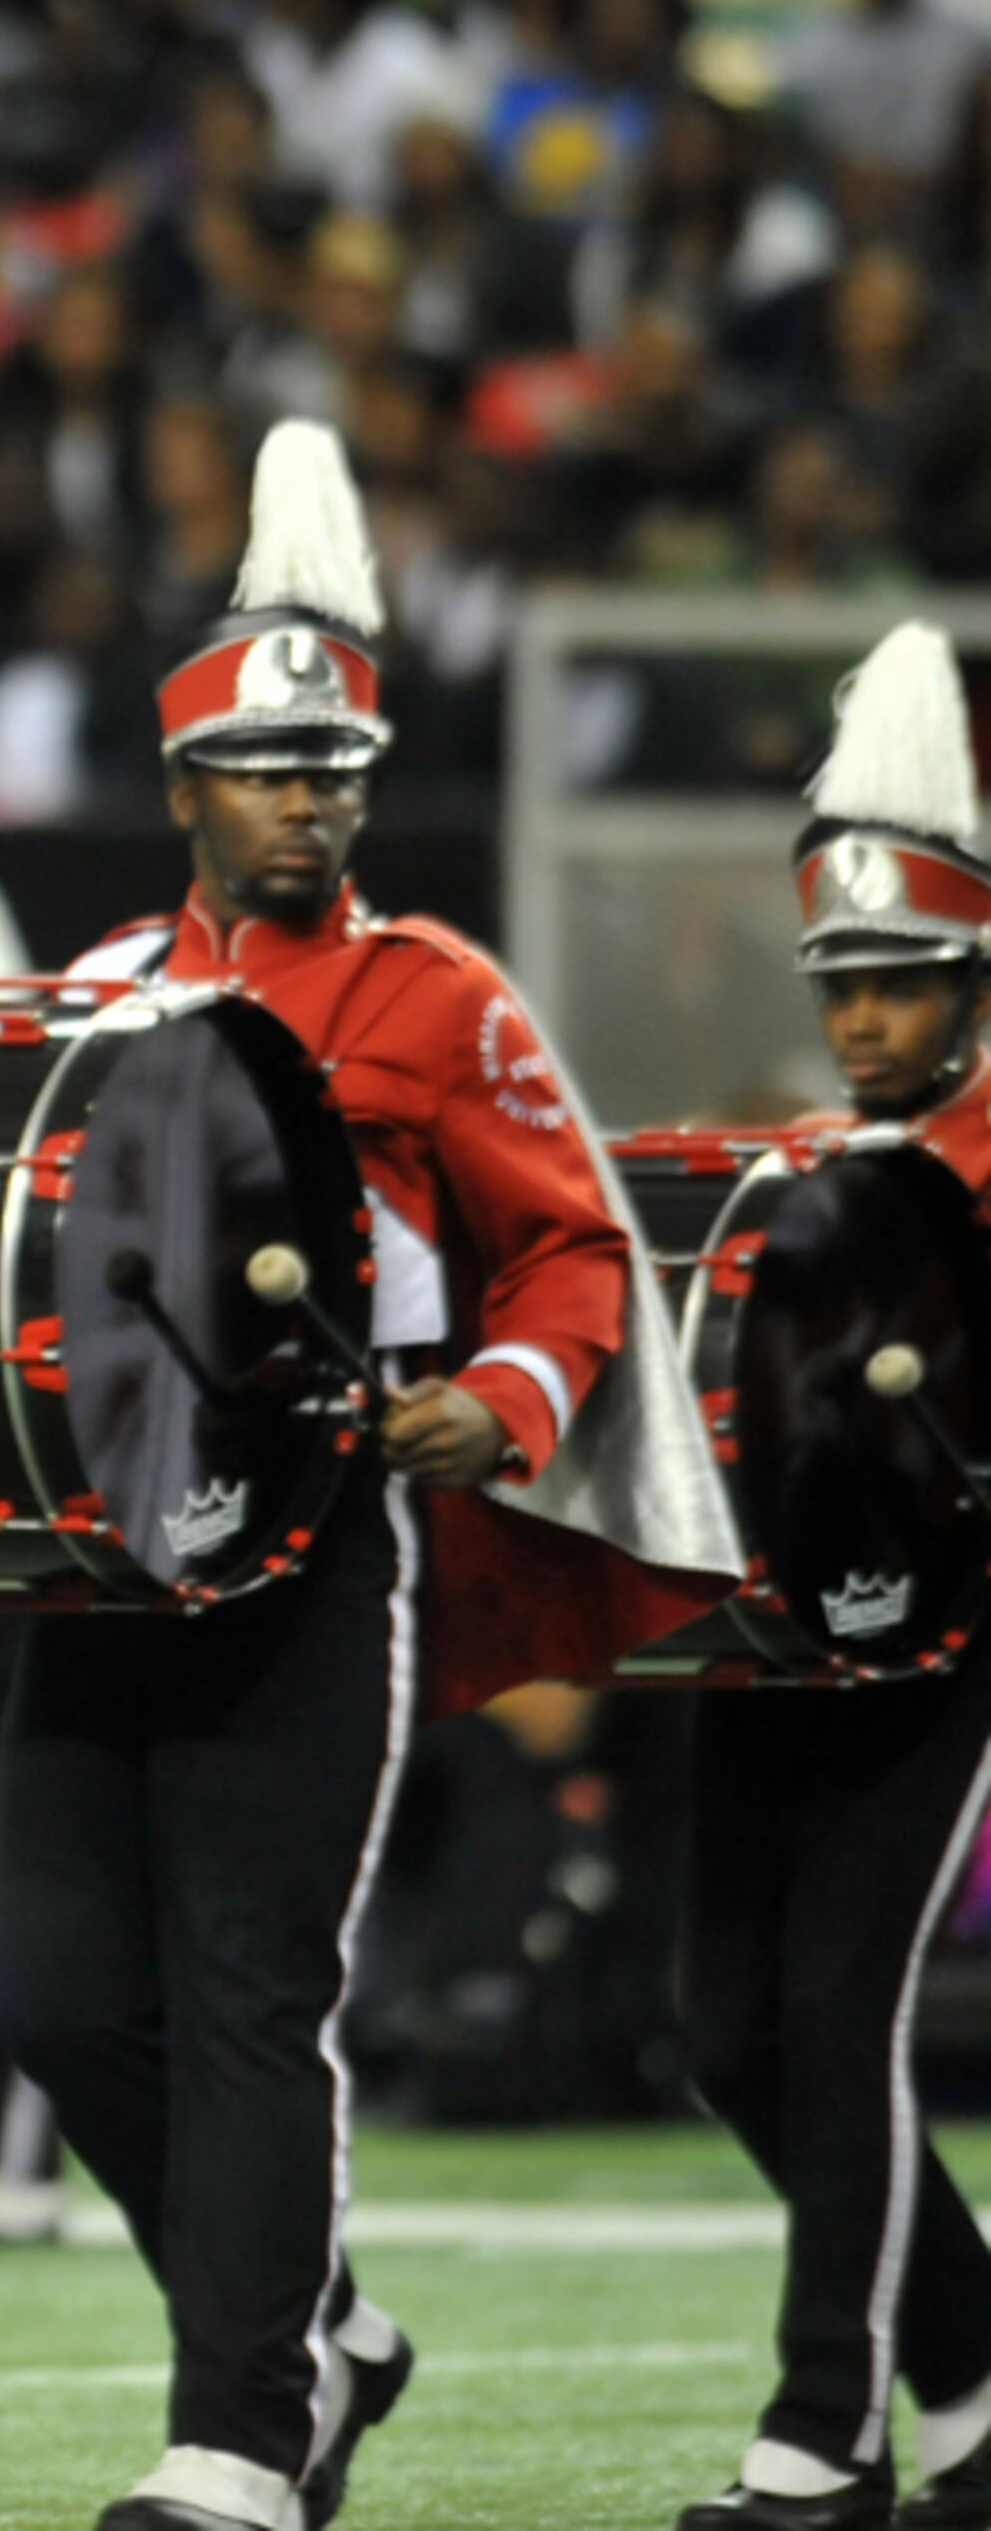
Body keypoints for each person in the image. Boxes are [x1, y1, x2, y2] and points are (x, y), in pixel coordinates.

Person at [11, 420, 736, 2531]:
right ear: (182, 791)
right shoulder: (93, 1002)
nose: (310, 792)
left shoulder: (441, 994)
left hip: (323, 1536)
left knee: (255, 1988)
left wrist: (503, 1401)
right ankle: (320, 2313)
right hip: (106, 1557)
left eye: (336, 762)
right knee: (60, 1998)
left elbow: (580, 1245)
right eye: (266, 762)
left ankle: (242, 2430)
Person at [670, 621, 991, 2531]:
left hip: (947, 1626)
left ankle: (828, 2436)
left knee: (840, 2008)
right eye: (844, 985)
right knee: (723, 2025)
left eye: (906, 982)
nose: (865, 1019)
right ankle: (971, 2381)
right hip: (781, 1626)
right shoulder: (817, 1163)